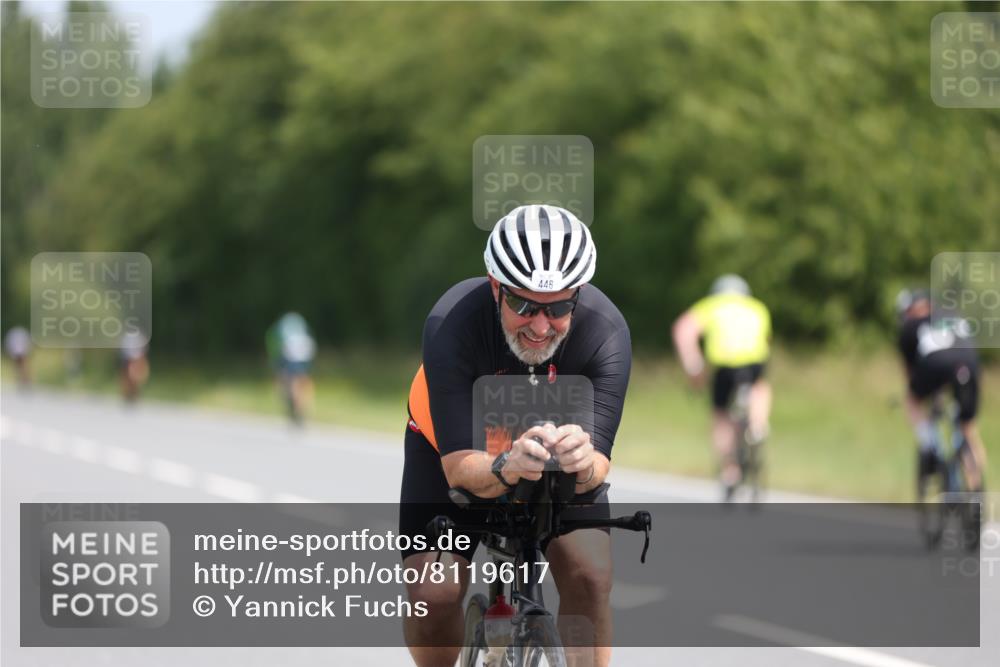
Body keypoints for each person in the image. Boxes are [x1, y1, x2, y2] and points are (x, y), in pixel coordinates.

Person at [401, 204, 631, 667]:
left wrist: (584, 462)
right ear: (495, 288)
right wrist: (506, 465)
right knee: (435, 593)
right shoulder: (451, 324)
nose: (540, 326)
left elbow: (597, 467)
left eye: (559, 307)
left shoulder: (605, 332)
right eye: (523, 305)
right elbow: (459, 467)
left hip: (553, 457)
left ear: (579, 296)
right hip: (455, 447)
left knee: (590, 575)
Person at [672, 274, 772, 499]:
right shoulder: (757, 308)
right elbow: (765, 341)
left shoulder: (712, 306)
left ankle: (730, 471)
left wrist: (694, 366)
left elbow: (683, 330)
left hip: (724, 366)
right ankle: (758, 425)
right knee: (760, 387)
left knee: (721, 415)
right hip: (754, 363)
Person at [896, 288, 987, 492]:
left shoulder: (911, 326)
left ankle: (929, 445)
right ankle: (976, 490)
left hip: (934, 366)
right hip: (969, 366)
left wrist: (928, 395)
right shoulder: (954, 316)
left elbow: (911, 373)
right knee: (967, 427)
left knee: (912, 400)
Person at [265, 312, 316, 425]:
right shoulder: (300, 322)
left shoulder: (281, 325)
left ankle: (294, 407)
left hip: (291, 351)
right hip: (305, 349)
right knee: (303, 378)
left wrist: (274, 360)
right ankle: (303, 406)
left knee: (288, 378)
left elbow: (274, 342)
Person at [118, 328, 149, 403]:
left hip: (133, 359)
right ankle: (128, 396)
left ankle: (133, 396)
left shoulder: (131, 337)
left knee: (133, 379)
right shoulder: (136, 337)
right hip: (129, 360)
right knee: (129, 379)